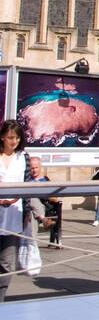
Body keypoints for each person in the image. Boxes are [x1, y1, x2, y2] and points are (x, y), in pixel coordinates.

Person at [0, 120, 30, 304]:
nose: (14, 141)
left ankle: (1, 300)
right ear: (2, 137)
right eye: (11, 137)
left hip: (13, 216)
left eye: (17, 137)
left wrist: (26, 212)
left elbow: (27, 187)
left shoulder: (23, 157)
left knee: (6, 262)